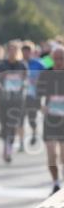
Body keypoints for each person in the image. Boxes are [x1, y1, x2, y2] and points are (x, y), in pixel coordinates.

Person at [0, 40, 29, 163]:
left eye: (15, 50)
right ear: (7, 51)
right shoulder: (1, 65)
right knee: (5, 124)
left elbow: (26, 81)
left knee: (13, 124)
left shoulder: (22, 65)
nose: (12, 52)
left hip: (17, 100)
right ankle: (5, 144)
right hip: (4, 99)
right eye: (10, 50)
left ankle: (8, 149)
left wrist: (21, 85)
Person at [37, 46, 64, 194]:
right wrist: (42, 107)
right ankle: (55, 183)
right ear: (52, 59)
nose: (59, 61)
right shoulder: (46, 75)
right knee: (51, 154)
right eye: (57, 58)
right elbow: (38, 95)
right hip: (50, 119)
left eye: (62, 58)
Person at [22, 40, 45, 147]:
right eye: (24, 51)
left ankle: (35, 133)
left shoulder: (38, 63)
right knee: (21, 116)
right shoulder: (19, 64)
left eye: (28, 51)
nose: (26, 54)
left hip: (35, 94)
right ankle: (23, 138)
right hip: (22, 95)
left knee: (32, 116)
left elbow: (49, 72)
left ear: (32, 52)